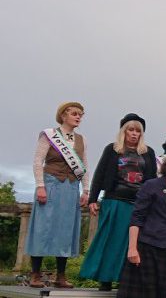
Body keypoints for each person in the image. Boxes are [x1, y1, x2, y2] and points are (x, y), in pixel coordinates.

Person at [80, 113, 157, 291]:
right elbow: (100, 173)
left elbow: (152, 180)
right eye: (131, 130)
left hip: (138, 204)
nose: (134, 134)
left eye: (138, 131)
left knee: (133, 244)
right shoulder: (112, 149)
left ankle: (126, 279)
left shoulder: (148, 153)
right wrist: (93, 199)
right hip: (115, 201)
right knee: (111, 241)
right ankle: (105, 279)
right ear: (124, 131)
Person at [26, 102, 89, 288]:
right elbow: (38, 161)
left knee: (66, 230)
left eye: (81, 114)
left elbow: (84, 167)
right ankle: (35, 274)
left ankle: (60, 276)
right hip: (51, 184)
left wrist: (86, 190)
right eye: (74, 114)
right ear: (63, 116)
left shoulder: (81, 140)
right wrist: (40, 186)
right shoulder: (49, 136)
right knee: (42, 228)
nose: (78, 117)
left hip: (71, 188)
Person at [116, 153, 166, 298]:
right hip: (148, 248)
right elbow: (137, 218)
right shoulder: (152, 186)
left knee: (164, 293)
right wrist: (132, 248)